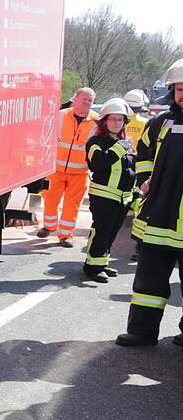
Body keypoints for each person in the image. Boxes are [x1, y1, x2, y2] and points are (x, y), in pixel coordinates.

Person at [117, 58, 183, 346]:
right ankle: (142, 332)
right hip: (158, 217)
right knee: (148, 280)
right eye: (179, 89)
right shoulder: (159, 123)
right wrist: (144, 178)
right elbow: (142, 155)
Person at [81, 98, 135, 282]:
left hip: (122, 198)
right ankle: (92, 267)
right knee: (101, 231)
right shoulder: (96, 142)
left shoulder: (125, 142)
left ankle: (102, 262)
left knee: (112, 232)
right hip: (103, 197)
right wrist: (118, 149)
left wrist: (134, 191)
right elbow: (98, 164)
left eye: (120, 120)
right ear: (104, 121)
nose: (116, 123)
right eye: (113, 119)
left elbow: (129, 169)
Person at [37, 87, 98, 247]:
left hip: (79, 172)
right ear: (75, 99)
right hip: (55, 169)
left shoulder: (96, 122)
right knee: (50, 199)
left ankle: (66, 235)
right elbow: (47, 136)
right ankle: (49, 226)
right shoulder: (61, 115)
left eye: (90, 100)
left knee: (72, 204)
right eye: (84, 99)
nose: (87, 102)